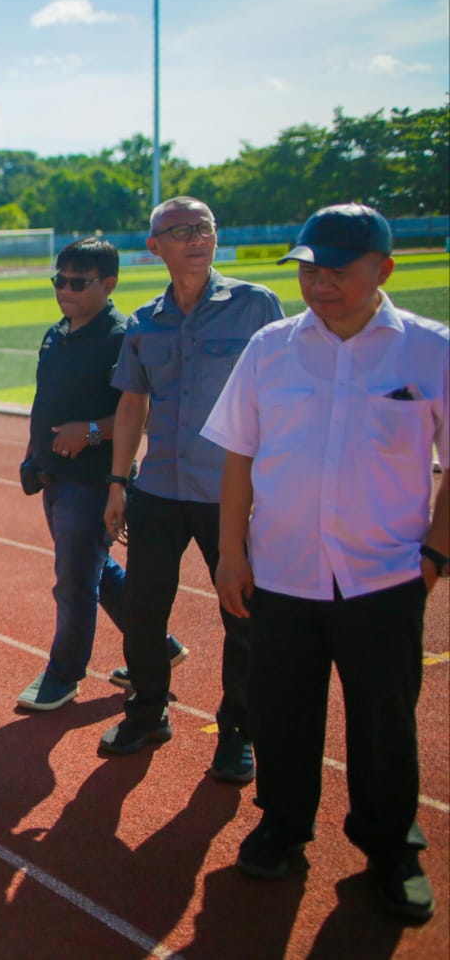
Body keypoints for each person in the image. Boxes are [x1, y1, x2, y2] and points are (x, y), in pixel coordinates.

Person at [203, 203, 447, 923]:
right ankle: (282, 823)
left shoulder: (430, 351)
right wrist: (228, 554)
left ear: (385, 270)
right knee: (280, 713)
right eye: (310, 268)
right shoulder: (271, 347)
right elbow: (240, 455)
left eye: (338, 270)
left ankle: (390, 845)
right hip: (281, 574)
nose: (321, 283)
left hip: (384, 579)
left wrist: (432, 559)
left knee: (384, 722)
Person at [99, 196, 283, 781]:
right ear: (155, 247)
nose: (197, 238)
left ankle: (238, 732)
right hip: (158, 490)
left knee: (244, 617)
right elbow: (133, 403)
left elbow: (282, 394)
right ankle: (147, 711)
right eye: (180, 231)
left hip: (231, 494)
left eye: (203, 227)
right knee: (145, 611)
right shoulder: (145, 320)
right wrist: (117, 482)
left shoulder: (255, 306)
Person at [16, 237, 129, 712]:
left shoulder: (121, 338)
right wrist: (33, 455)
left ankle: (64, 674)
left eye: (78, 282)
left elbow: (141, 411)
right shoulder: (56, 333)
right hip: (55, 477)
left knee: (73, 581)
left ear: (109, 283)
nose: (65, 289)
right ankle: (157, 644)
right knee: (94, 570)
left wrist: (92, 433)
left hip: (93, 481)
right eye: (59, 280)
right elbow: (45, 402)